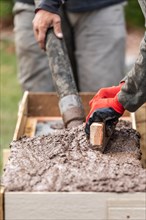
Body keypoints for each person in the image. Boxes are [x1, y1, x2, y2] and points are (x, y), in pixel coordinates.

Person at [32, 0, 127, 92]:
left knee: (101, 93)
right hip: (34, 8)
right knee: (40, 95)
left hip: (98, 6)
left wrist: (49, 4)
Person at [13, 0, 55, 92]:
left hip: (85, 8)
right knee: (37, 88)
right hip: (30, 6)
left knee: (89, 88)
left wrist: (50, 4)